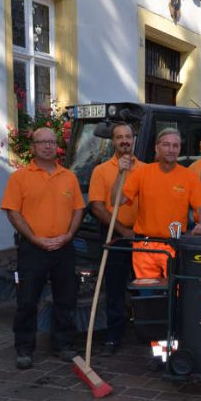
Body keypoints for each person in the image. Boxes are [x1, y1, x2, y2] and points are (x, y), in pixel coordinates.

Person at [1, 127, 85, 369]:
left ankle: (63, 344)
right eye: (42, 142)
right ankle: (25, 349)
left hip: (64, 247)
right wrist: (36, 239)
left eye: (51, 142)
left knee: (66, 298)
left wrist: (68, 235)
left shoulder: (69, 176)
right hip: (32, 249)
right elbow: (13, 211)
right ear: (33, 146)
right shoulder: (19, 177)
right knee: (27, 300)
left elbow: (78, 208)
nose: (48, 146)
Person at [115, 128, 201, 279]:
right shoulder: (142, 173)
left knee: (174, 295)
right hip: (144, 246)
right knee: (147, 296)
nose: (171, 149)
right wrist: (120, 173)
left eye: (175, 146)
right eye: (166, 145)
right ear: (157, 148)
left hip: (174, 245)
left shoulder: (190, 177)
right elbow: (117, 201)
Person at [88, 122, 141, 355]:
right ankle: (114, 334)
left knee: (145, 286)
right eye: (119, 137)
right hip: (115, 237)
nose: (124, 141)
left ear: (134, 139)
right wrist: (123, 230)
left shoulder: (147, 168)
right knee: (115, 287)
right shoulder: (101, 170)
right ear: (113, 141)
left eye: (128, 136)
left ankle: (146, 332)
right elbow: (98, 208)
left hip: (142, 237)